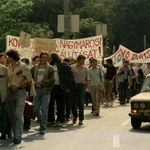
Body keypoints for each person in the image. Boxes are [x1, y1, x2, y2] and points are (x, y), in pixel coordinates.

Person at [6, 49, 33, 144]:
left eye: (7, 57)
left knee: (18, 115)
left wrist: (17, 86)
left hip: (20, 92)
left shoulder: (22, 66)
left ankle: (18, 136)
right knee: (12, 116)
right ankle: (15, 133)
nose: (6, 59)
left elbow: (28, 79)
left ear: (12, 57)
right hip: (10, 93)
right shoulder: (8, 67)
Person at [48, 53, 76, 126]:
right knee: (50, 104)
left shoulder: (63, 65)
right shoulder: (48, 66)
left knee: (60, 104)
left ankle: (60, 120)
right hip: (51, 87)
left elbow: (69, 76)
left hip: (60, 87)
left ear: (54, 58)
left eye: (50, 58)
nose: (49, 59)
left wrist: (68, 87)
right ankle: (50, 119)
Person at [31, 52, 55, 133]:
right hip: (36, 90)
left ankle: (43, 127)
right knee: (35, 109)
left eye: (47, 57)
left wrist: (43, 82)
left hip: (46, 90)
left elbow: (52, 80)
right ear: (40, 58)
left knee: (45, 109)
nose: (45, 59)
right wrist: (32, 81)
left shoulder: (50, 68)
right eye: (44, 57)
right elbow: (29, 76)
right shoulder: (34, 67)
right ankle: (43, 121)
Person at [71, 55, 90, 125]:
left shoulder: (85, 68)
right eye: (82, 60)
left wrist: (88, 87)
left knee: (81, 103)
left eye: (84, 60)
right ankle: (75, 115)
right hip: (74, 86)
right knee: (72, 102)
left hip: (82, 85)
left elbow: (87, 78)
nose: (83, 61)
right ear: (78, 60)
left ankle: (81, 119)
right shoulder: (72, 67)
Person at [0, 53, 12, 140]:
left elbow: (9, 81)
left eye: (5, 58)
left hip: (5, 94)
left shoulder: (5, 69)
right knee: (1, 115)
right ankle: (3, 132)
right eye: (3, 58)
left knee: (7, 114)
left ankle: (9, 131)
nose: (4, 60)